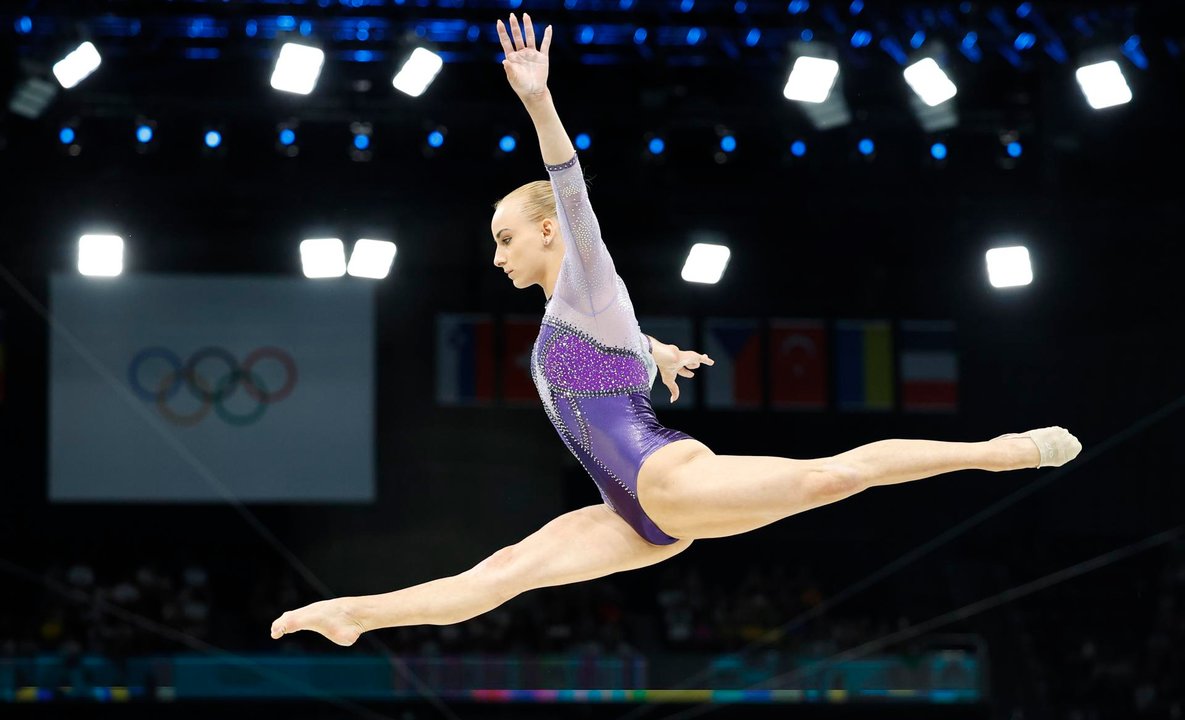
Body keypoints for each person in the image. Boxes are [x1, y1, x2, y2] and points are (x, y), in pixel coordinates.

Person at [270, 13, 1082, 647]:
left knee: (826, 479)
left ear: (549, 233)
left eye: (505, 237)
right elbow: (609, 344)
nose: (496, 255)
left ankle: (999, 450)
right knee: (500, 575)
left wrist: (538, 100)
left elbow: (571, 187)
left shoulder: (585, 270)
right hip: (626, 511)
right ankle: (355, 614)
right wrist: (654, 349)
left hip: (666, 479)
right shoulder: (580, 308)